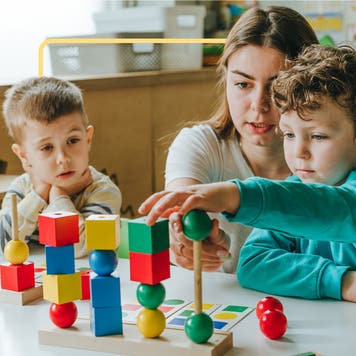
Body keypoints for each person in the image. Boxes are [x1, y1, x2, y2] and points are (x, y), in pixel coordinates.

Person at [139, 44, 356, 302]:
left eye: (318, 136)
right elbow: (252, 262)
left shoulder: (310, 200)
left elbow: (337, 210)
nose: (299, 151)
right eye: (288, 134)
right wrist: (341, 281)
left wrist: (236, 195)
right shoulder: (296, 187)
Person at [164, 5, 318, 273]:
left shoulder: (334, 159)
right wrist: (184, 238)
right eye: (243, 84)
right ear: (226, 81)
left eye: (277, 86)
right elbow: (181, 205)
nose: (258, 105)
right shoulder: (200, 144)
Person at [1, 76, 122, 257]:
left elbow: (82, 247)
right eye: (47, 147)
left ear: (87, 139)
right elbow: (3, 241)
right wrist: (39, 195)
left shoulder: (102, 190)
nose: (63, 159)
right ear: (24, 155)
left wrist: (58, 195)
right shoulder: (22, 188)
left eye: (72, 141)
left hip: (80, 282)